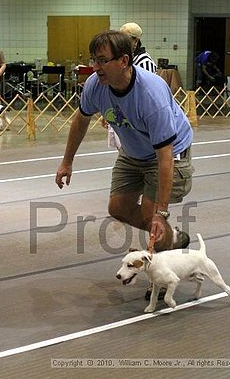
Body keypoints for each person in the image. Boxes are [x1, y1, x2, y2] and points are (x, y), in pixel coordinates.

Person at [56, 31, 194, 297]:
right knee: (117, 208)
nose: (96, 68)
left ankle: (162, 277)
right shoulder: (96, 86)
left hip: (168, 152)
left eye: (102, 61)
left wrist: (160, 212)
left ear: (124, 61)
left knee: (151, 216)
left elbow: (164, 156)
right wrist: (66, 162)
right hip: (133, 152)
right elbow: (81, 120)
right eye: (93, 61)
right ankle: (174, 238)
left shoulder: (150, 95)